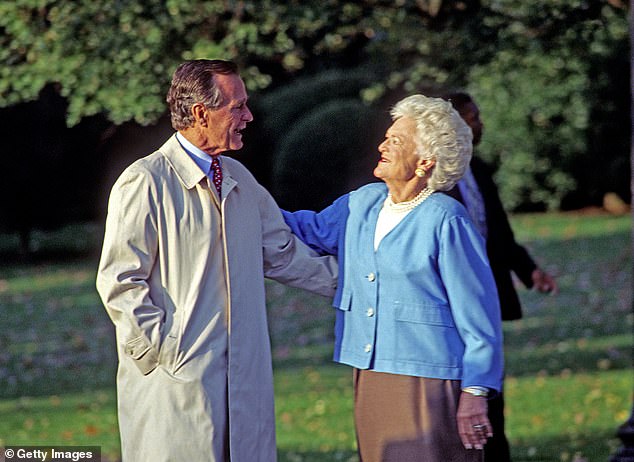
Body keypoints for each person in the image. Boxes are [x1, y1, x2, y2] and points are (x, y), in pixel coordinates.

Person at [96, 59, 338, 462]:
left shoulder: (241, 179)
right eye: (238, 106)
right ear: (200, 113)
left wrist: (363, 284)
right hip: (176, 381)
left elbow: (284, 256)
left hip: (243, 380)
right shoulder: (145, 181)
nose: (249, 115)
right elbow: (120, 282)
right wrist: (165, 354)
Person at [282, 94, 504, 462]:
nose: (382, 145)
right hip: (370, 375)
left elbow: (479, 315)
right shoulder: (362, 202)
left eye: (396, 140)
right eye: (387, 137)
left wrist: (475, 392)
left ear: (425, 162)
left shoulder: (447, 219)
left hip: (429, 382)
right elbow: (306, 228)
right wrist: (245, 201)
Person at [443, 91, 559, 462]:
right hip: (450, 304)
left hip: (486, 296)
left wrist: (529, 271)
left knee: (490, 389)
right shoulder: (437, 180)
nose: (479, 123)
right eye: (472, 117)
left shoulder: (478, 170)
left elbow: (499, 233)